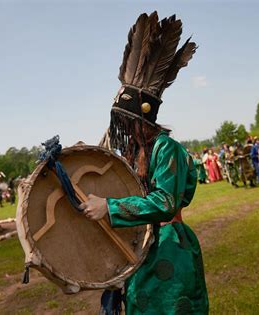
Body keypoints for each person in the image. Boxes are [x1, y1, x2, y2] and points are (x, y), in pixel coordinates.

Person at [80, 12, 208, 314]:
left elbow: (165, 201)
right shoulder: (135, 151)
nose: (120, 131)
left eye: (124, 123)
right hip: (140, 245)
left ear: (140, 121)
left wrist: (109, 207)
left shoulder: (167, 149)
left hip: (169, 248)